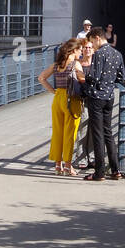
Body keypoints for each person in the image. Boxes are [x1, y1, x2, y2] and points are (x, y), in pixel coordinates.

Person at [82, 28, 125, 181]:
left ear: (97, 38)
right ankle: (115, 170)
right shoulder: (117, 54)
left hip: (97, 97)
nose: (92, 45)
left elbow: (94, 77)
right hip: (110, 97)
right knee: (108, 133)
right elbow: (121, 77)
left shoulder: (99, 54)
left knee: (97, 135)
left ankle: (99, 172)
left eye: (92, 42)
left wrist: (84, 79)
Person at [38, 38, 85, 176]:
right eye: (80, 50)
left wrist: (54, 91)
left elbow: (41, 78)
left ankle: (57, 165)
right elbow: (83, 80)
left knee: (58, 132)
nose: (81, 53)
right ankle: (68, 166)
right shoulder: (76, 64)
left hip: (58, 98)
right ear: (73, 51)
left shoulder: (57, 65)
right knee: (70, 134)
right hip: (72, 100)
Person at [72, 37, 95, 169]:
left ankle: (91, 157)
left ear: (93, 50)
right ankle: (81, 157)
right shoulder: (78, 63)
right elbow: (80, 79)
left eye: (90, 48)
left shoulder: (97, 63)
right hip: (83, 99)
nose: (87, 50)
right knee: (83, 129)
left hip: (95, 99)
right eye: (85, 47)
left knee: (93, 130)